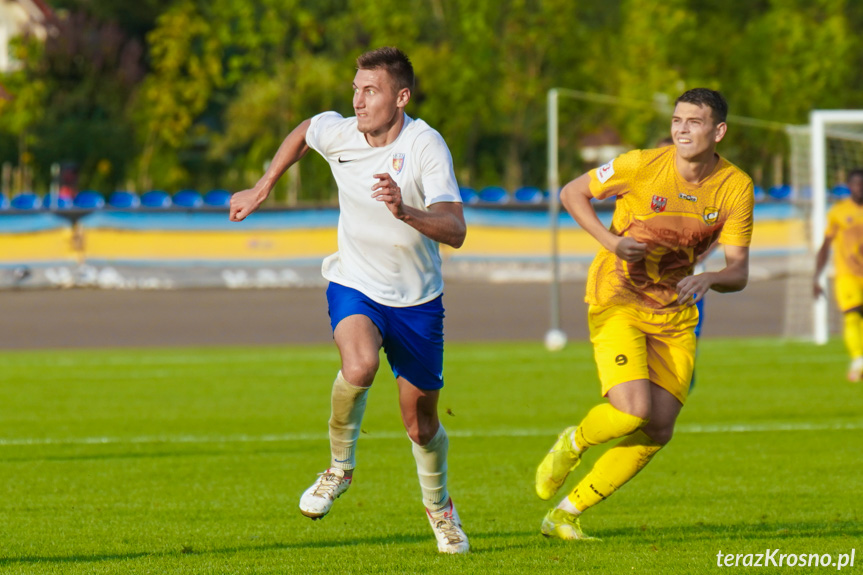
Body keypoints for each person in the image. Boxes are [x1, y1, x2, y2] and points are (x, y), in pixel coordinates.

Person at [229, 47, 469, 554]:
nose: (357, 101)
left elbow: (456, 229)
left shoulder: (426, 146)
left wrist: (404, 210)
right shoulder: (340, 132)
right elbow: (303, 131)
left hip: (418, 301)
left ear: (400, 97)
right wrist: (262, 185)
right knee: (359, 367)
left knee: (421, 425)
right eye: (355, 90)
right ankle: (339, 468)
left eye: (370, 91)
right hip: (355, 282)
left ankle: (441, 510)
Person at [535, 88, 754, 540]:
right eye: (677, 120)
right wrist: (611, 242)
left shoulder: (736, 187)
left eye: (694, 122)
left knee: (659, 427)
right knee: (632, 411)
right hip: (618, 297)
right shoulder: (640, 165)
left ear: (719, 132)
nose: (682, 129)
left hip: (674, 313)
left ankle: (565, 513)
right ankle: (573, 441)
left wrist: (710, 278)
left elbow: (739, 271)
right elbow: (572, 192)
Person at [814, 168, 863, 382]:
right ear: (849, 186)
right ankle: (858, 361)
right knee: (853, 314)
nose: (859, 188)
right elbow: (825, 245)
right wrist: (817, 277)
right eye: (855, 184)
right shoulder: (838, 212)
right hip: (847, 275)